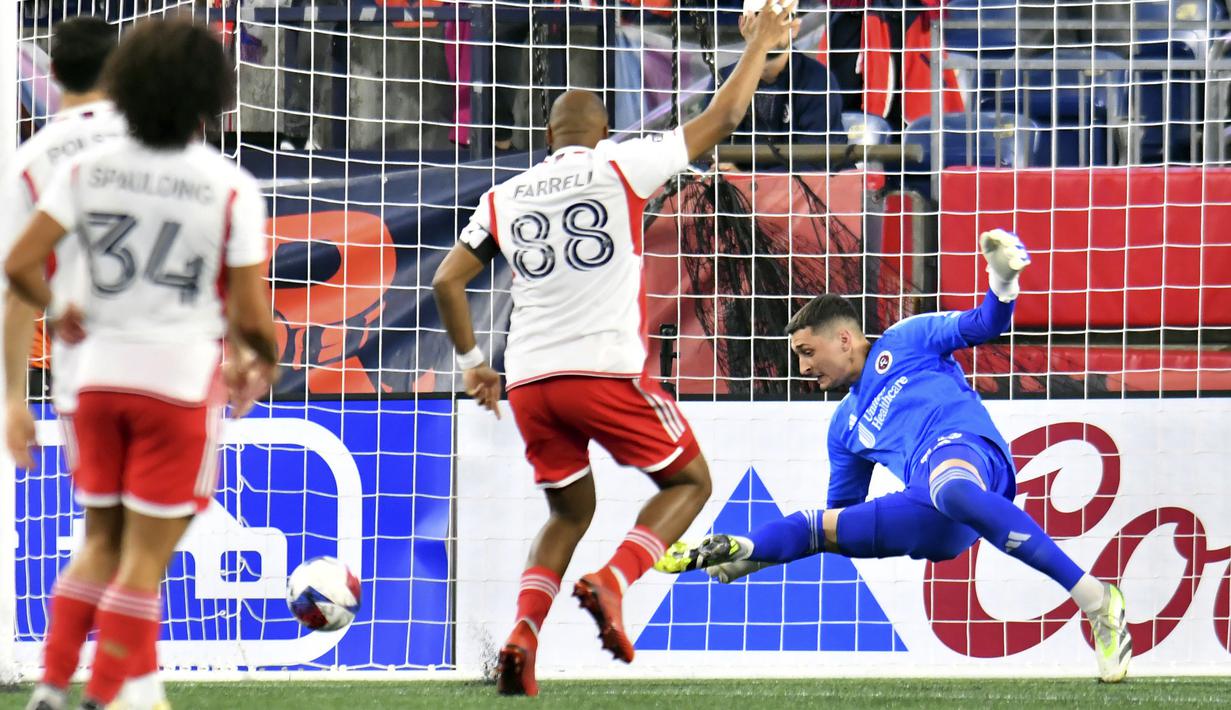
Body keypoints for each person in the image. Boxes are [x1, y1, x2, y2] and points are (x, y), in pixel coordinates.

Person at [431, 1, 798, 695]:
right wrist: (761, 44)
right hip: (601, 371)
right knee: (690, 482)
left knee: (567, 512)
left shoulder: (503, 195)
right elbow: (720, 119)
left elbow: (448, 280)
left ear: (546, 138)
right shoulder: (619, 164)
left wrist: (475, 367)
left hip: (531, 384)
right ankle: (613, 580)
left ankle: (522, 634)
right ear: (603, 132)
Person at [655, 229, 1133, 684]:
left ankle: (1096, 600)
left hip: (966, 457)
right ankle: (738, 550)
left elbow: (987, 324)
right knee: (816, 525)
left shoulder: (907, 339)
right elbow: (833, 523)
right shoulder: (843, 427)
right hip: (934, 522)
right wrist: (758, 555)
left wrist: (1002, 281)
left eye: (806, 351)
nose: (802, 368)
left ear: (844, 339)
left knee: (951, 487)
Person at [6, 18, 278, 710]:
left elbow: (17, 265)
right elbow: (249, 316)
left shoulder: (81, 167)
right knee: (144, 562)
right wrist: (262, 356)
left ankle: (48, 688)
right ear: (209, 98)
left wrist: (59, 306)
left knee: (98, 542)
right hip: (176, 384)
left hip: (93, 378)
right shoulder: (229, 184)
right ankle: (104, 696)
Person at [3, 16, 125, 497]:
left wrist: (12, 398)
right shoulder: (161, 148)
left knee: (104, 535)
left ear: (52, 72)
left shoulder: (34, 161)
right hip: (167, 369)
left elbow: (15, 282)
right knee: (146, 541)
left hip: (78, 368)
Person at [708, 0, 845, 158]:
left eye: (781, 17)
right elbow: (707, 152)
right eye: (762, 17)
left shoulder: (819, 82)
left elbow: (817, 166)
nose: (770, 28)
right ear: (742, 25)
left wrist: (745, 178)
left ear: (794, 27)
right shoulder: (723, 79)